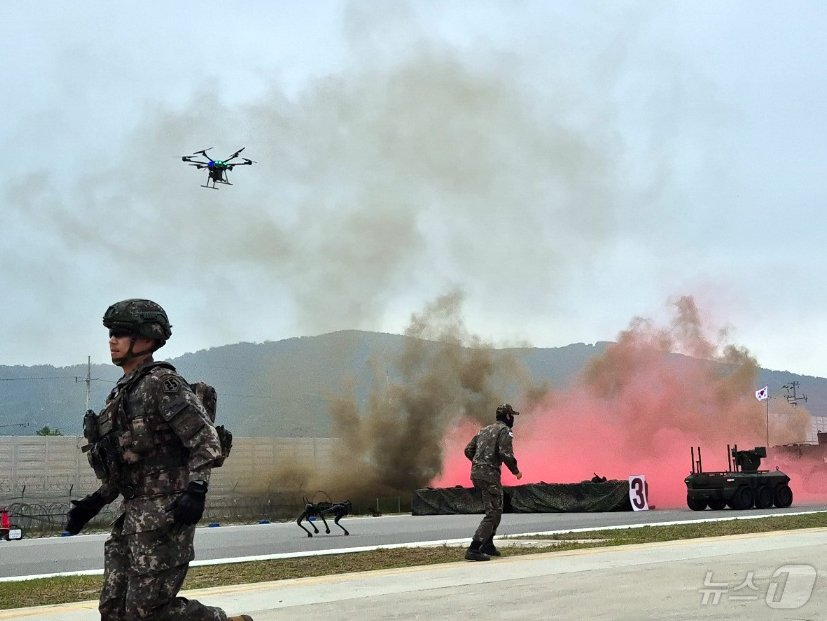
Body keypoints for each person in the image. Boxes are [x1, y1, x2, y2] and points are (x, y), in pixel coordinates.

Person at [65, 299, 253, 621]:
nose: (112, 340)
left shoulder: (161, 385)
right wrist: (93, 502)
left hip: (164, 514)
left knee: (148, 614)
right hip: (131, 518)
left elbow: (206, 439)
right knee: (113, 611)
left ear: (147, 339)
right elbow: (124, 463)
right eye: (111, 333)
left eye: (121, 333)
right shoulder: (120, 395)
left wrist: (196, 490)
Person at [463, 403, 522, 561]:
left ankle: (488, 543)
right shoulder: (504, 431)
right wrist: (516, 471)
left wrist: (478, 463)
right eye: (512, 416)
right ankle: (474, 548)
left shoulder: (483, 430)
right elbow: (505, 453)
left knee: (497, 508)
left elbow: (468, 450)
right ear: (508, 416)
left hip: (477, 473)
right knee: (493, 513)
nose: (513, 420)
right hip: (489, 476)